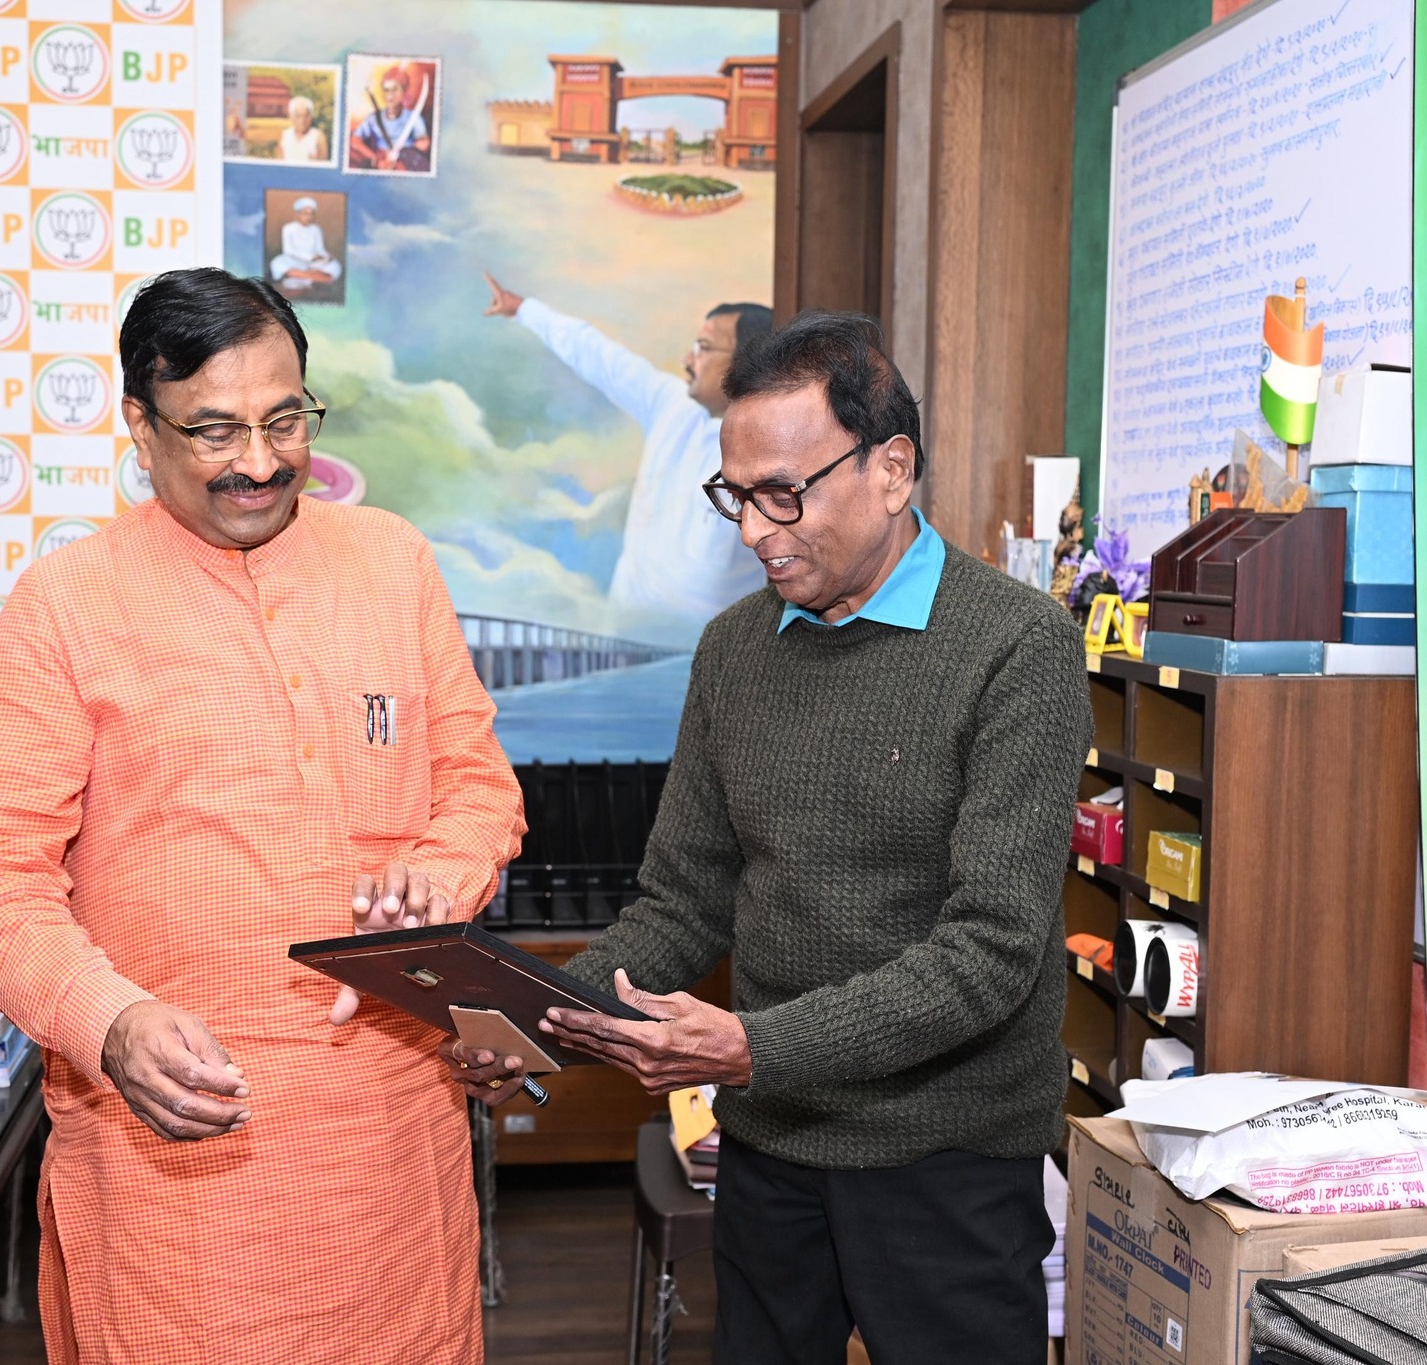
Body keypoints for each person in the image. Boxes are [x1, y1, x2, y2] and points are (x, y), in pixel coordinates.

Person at [447, 312, 1092, 1363]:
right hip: (771, 1139)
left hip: (949, 1153)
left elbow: (991, 953)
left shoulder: (1017, 647)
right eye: (735, 495)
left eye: (783, 493)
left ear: (891, 469)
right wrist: (537, 1022)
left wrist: (755, 1046)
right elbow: (682, 902)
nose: (753, 530)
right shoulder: (732, 650)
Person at [0, 268, 524, 1364]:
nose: (259, 461)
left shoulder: (392, 562)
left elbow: (478, 785)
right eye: (214, 430)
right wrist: (109, 1021)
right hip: (177, 1163)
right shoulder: (65, 606)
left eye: (285, 420)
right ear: (140, 425)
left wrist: (443, 878)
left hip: (392, 1149)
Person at [483, 273, 773, 623]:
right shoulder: (671, 405)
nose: (688, 359)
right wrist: (523, 310)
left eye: (704, 347)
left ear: (747, 361)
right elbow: (598, 355)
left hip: (715, 647)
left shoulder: (777, 451)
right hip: (625, 636)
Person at [349, 64, 432, 173]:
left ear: (404, 93)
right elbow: (355, 141)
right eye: (386, 90)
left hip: (406, 164)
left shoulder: (413, 118)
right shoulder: (373, 119)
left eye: (395, 90)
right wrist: (376, 158)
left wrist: (403, 150)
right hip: (380, 164)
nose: (390, 95)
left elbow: (424, 143)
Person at [269, 197, 342, 293]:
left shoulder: (316, 229)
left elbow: (320, 248)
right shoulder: (288, 228)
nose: (309, 217)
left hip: (314, 262)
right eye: (306, 214)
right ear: (298, 214)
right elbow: (288, 251)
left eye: (312, 214)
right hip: (293, 259)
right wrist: (310, 257)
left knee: (335, 265)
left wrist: (325, 256)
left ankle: (300, 277)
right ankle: (312, 277)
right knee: (277, 263)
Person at [279, 95, 329, 163]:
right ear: (292, 117)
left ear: (311, 116)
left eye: (306, 116)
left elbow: (323, 164)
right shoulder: (285, 135)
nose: (302, 121)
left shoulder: (318, 137)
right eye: (298, 116)